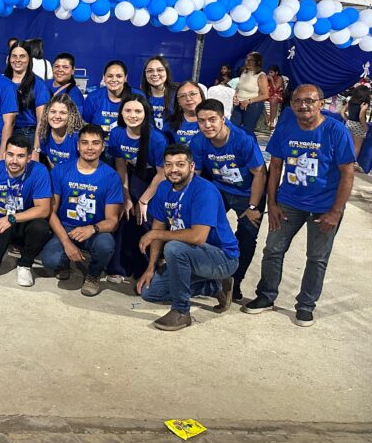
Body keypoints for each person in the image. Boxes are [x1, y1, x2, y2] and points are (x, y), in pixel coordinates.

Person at [244, 85, 355, 326]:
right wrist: (272, 203)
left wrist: (336, 211)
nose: (303, 105)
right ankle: (266, 296)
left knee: (317, 257)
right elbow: (275, 167)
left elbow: (347, 174)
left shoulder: (336, 131)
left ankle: (306, 305)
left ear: (321, 103)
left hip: (325, 207)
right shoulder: (285, 128)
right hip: (289, 202)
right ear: (291, 104)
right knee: (272, 250)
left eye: (310, 100)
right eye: (298, 101)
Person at [136, 144, 239, 331]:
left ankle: (181, 311)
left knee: (174, 247)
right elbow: (158, 226)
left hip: (223, 258)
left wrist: (156, 233)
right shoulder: (163, 188)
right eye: (168, 165)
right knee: (149, 292)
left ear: (191, 167)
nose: (173, 169)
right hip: (191, 255)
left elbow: (198, 237)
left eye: (180, 164)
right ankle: (213, 287)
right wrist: (150, 267)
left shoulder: (204, 190)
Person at [191, 99, 267, 301]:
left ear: (223, 119)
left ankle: (235, 281)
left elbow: (259, 173)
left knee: (247, 237)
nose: (207, 125)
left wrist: (253, 206)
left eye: (212, 119)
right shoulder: (198, 141)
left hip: (249, 192)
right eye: (201, 121)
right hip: (220, 189)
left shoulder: (242, 139)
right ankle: (207, 276)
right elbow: (196, 175)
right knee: (204, 228)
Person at [39, 125, 122, 296]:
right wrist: (66, 242)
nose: (90, 148)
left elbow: (112, 221)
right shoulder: (61, 170)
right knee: (50, 261)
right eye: (85, 143)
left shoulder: (111, 176)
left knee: (105, 245)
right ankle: (63, 264)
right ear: (77, 145)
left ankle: (93, 274)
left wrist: (92, 228)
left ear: (103, 147)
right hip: (66, 228)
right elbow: (50, 212)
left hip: (94, 230)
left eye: (95, 143)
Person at [0, 135, 52, 285]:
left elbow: (43, 210)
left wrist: (11, 218)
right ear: (4, 154)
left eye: (20, 156)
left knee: (41, 226)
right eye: (10, 154)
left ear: (29, 158)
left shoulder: (39, 171)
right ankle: (3, 247)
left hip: (23, 222)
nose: (14, 160)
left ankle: (25, 264)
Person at [108, 95, 167, 280]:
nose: (132, 115)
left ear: (146, 113)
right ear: (121, 113)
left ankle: (147, 269)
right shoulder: (117, 133)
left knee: (145, 217)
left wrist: (144, 200)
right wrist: (125, 195)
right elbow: (121, 166)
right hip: (133, 175)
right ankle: (119, 267)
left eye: (138, 111)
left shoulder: (157, 139)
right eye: (128, 110)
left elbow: (162, 174)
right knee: (125, 212)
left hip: (155, 178)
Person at [6, 41, 50, 141]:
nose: (17, 60)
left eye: (22, 56)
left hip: (27, 134)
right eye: (14, 56)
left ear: (29, 58)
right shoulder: (3, 81)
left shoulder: (39, 84)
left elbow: (41, 121)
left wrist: (36, 147)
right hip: (2, 132)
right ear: (9, 58)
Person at [81, 60, 138, 134]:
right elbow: (86, 125)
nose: (114, 80)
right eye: (110, 76)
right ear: (104, 77)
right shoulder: (92, 98)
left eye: (119, 76)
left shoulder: (137, 96)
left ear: (125, 78)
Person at [35, 94, 83, 169]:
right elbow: (51, 164)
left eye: (62, 113)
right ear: (47, 113)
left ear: (71, 115)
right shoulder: (44, 133)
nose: (57, 116)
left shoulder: (78, 136)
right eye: (53, 112)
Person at [231, 51, 269, 136]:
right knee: (233, 127)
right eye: (246, 59)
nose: (247, 62)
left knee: (247, 130)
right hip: (239, 103)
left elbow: (265, 95)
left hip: (252, 105)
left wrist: (248, 101)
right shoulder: (244, 72)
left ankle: (249, 144)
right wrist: (235, 96)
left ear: (257, 62)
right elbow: (239, 87)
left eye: (250, 60)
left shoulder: (261, 75)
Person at [141, 55, 176, 132]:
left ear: (167, 72)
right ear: (145, 74)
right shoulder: (139, 96)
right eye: (150, 71)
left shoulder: (177, 94)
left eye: (160, 70)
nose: (155, 74)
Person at [168, 81, 205, 145]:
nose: (188, 99)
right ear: (178, 102)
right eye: (182, 96)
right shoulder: (169, 124)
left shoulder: (214, 120)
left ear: (201, 96)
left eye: (192, 94)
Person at [339, 85, 370, 159]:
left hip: (349, 123)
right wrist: (366, 127)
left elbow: (342, 111)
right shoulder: (364, 104)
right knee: (356, 146)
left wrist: (347, 120)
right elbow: (361, 116)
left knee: (347, 144)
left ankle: (343, 160)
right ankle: (352, 162)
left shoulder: (351, 101)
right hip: (359, 125)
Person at [266, 65, 286, 129]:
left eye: (271, 72)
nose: (269, 74)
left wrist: (272, 80)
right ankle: (267, 118)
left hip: (277, 94)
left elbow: (275, 88)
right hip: (268, 94)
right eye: (269, 72)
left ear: (276, 72)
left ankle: (271, 121)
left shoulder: (279, 78)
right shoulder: (267, 78)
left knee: (273, 99)